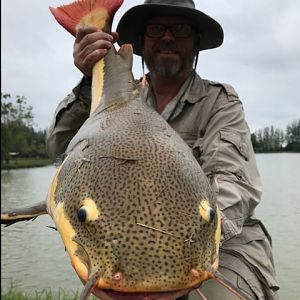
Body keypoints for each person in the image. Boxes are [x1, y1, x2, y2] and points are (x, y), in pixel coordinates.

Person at [46, 0, 279, 299]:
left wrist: (193, 240)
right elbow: (57, 146)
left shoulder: (220, 102)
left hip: (225, 241)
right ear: (142, 41)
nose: (168, 37)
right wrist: (91, 79)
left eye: (180, 29)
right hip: (121, 244)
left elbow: (233, 180)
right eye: (157, 28)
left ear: (196, 42)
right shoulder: (111, 98)